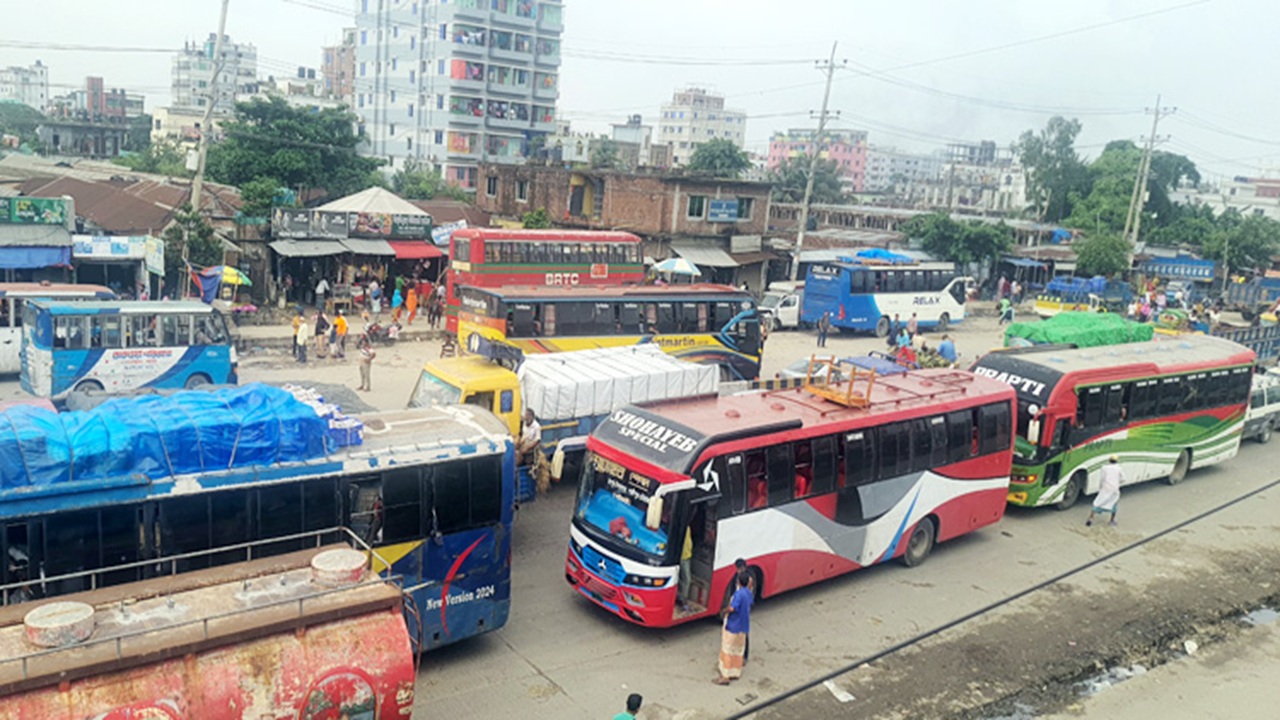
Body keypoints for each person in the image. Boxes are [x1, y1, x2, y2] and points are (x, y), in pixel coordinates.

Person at [713, 570, 753, 685]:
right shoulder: (748, 593)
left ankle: (725, 676)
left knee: (728, 649)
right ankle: (735, 672)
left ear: (739, 582)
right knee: (738, 650)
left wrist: (724, 611)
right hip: (744, 626)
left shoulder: (738, 594)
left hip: (733, 625)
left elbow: (733, 608)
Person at [1087, 455, 1124, 527]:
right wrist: (1117, 482)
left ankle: (1091, 518)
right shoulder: (1119, 469)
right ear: (1117, 461)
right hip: (1114, 489)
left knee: (1098, 502)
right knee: (1114, 504)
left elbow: (1102, 478)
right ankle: (1112, 521)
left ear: (1109, 461)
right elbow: (1123, 479)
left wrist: (1100, 486)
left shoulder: (1104, 468)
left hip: (1105, 488)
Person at [678, 526, 694, 612]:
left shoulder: (686, 526)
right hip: (684, 556)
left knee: (682, 578)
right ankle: (683, 600)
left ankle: (680, 597)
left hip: (686, 555)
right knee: (687, 579)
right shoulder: (683, 526)